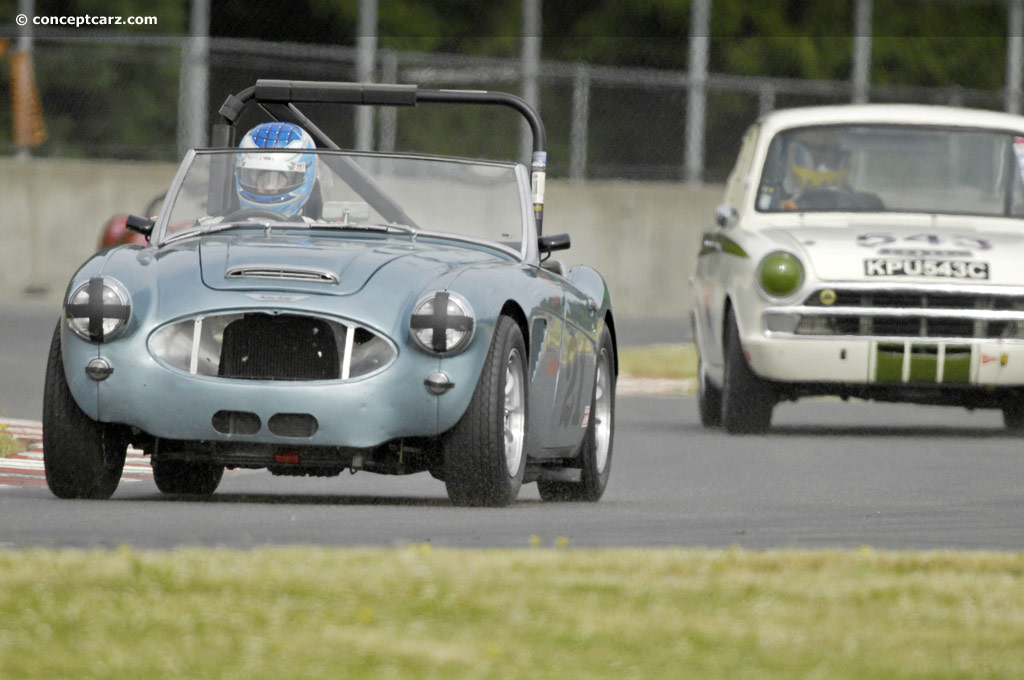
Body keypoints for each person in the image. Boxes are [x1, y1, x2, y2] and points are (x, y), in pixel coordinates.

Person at [234, 121, 318, 218]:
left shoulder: (315, 230)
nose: (268, 188)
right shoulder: (221, 227)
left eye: (279, 180)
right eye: (261, 178)